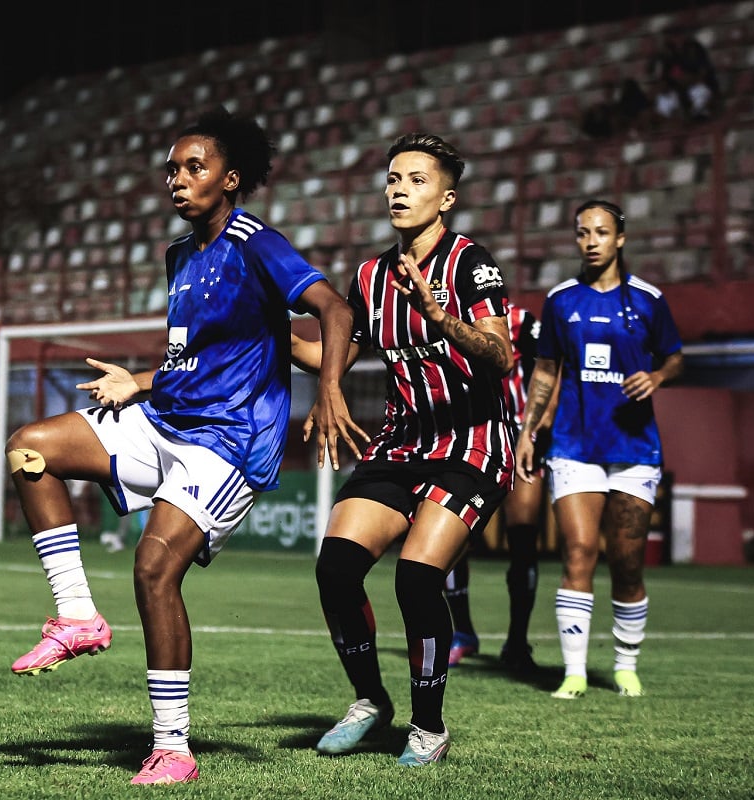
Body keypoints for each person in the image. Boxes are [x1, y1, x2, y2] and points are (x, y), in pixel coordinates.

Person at [3, 106, 361, 785]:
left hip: (225, 443)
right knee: (31, 449)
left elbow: (335, 310)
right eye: (171, 168)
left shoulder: (257, 241)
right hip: (164, 419)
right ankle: (78, 617)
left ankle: (173, 749)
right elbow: (202, 355)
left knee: (152, 568)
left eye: (194, 167)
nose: (178, 179)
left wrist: (333, 389)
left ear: (230, 179)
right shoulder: (180, 256)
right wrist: (139, 381)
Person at [291, 133, 516, 767]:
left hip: (471, 443)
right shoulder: (369, 275)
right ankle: (370, 701)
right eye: (393, 178)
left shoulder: (472, 263)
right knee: (335, 569)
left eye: (415, 179)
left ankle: (429, 727)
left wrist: (442, 319)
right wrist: (270, 330)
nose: (398, 188)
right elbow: (328, 356)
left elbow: (500, 355)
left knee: (418, 577)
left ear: (446, 197)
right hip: (402, 442)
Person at [515, 199, 684, 701]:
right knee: (579, 552)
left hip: (634, 450)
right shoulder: (562, 300)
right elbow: (545, 370)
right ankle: (574, 673)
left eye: (601, 232)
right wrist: (528, 429)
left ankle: (626, 665)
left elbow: (675, 358)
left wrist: (655, 376)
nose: (591, 241)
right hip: (573, 446)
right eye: (582, 232)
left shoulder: (649, 301)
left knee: (627, 563)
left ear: (621, 239)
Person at [446, 301, 558, 674]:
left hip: (520, 435)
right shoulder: (448, 317)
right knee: (453, 538)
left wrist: (537, 427)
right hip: (472, 436)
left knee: (523, 539)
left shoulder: (522, 320)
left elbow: (551, 369)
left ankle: (517, 640)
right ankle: (462, 632)